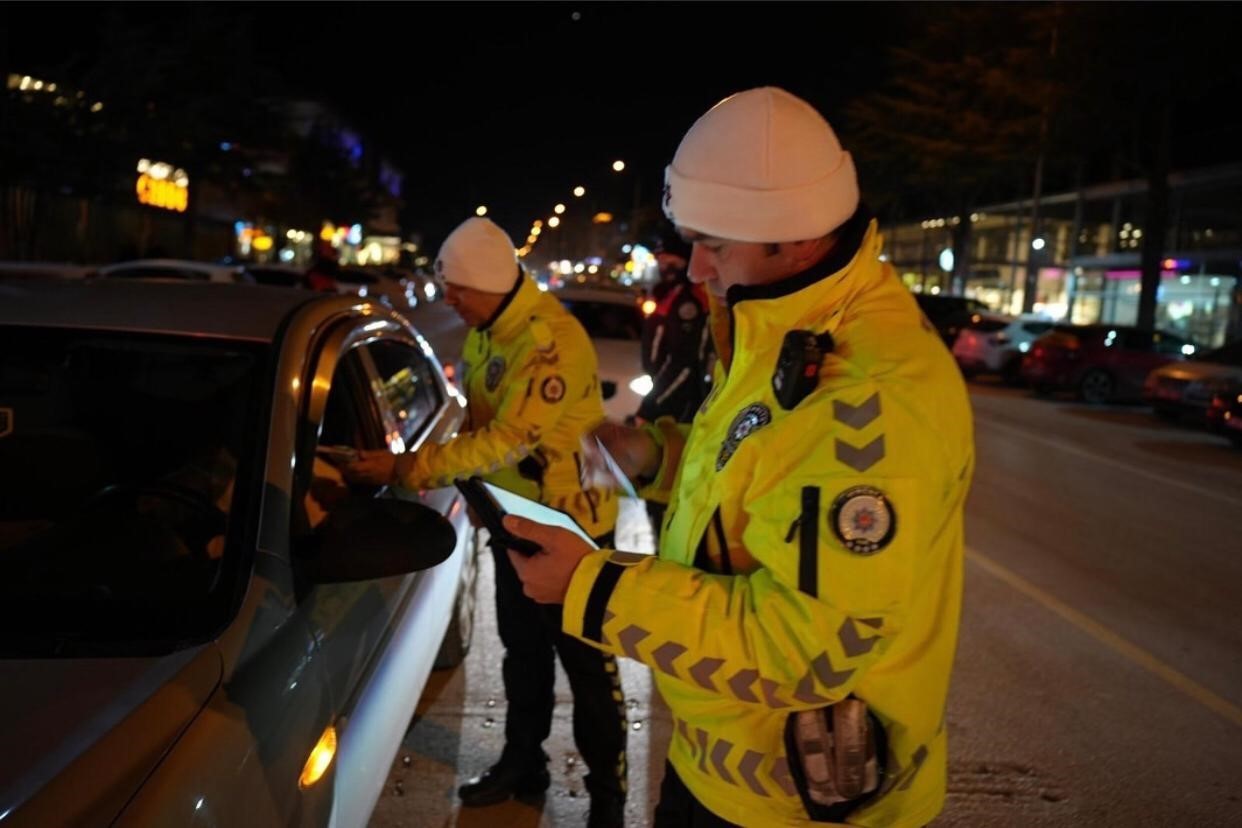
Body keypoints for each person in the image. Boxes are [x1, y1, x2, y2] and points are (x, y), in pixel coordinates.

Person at [501, 87, 975, 827]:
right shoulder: (778, 320)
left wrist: (591, 587)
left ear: (789, 236)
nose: (694, 269)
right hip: (725, 761)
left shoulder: (867, 400)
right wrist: (654, 455)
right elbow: (762, 470)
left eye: (713, 243)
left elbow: (812, 649)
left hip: (794, 805)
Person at [340, 216, 628, 828]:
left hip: (573, 532)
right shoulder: (487, 331)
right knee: (521, 656)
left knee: (588, 672)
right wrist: (476, 493)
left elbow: (505, 438)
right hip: (515, 523)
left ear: (486, 284)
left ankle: (608, 798)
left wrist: (406, 467)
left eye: (456, 291)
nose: (448, 301)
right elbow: (476, 422)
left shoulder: (550, 341)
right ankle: (522, 766)